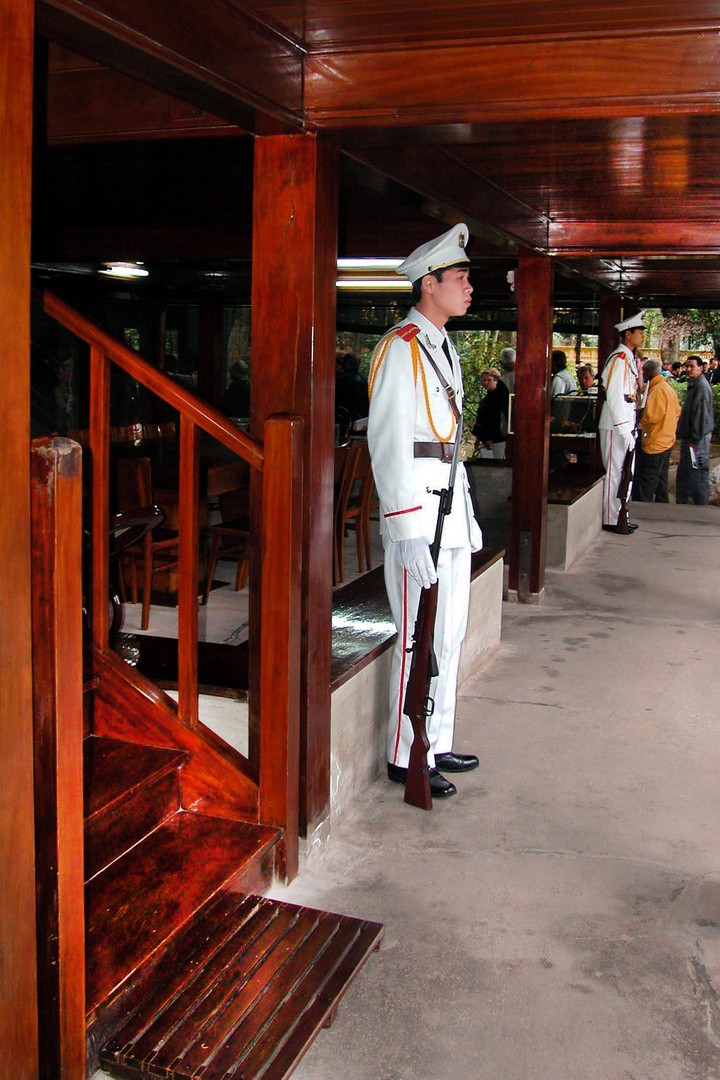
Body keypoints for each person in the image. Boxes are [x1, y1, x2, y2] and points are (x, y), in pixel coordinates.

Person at [367, 223, 483, 800]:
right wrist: (406, 529)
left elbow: (447, 445)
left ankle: (434, 741)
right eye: (459, 278)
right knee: (419, 638)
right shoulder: (401, 347)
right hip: (420, 521)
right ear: (429, 283)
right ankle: (402, 753)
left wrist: (464, 518)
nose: (468, 288)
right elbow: (389, 446)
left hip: (449, 515)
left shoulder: (442, 347)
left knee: (451, 634)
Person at [598, 312, 644, 533]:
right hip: (615, 425)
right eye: (639, 331)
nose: (642, 335)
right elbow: (615, 397)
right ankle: (610, 518)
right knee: (615, 472)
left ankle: (620, 514)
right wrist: (624, 429)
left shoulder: (629, 359)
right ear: (628, 334)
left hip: (625, 425)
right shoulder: (619, 359)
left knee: (625, 472)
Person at [633, 358, 680, 503]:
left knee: (648, 480)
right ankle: (662, 505)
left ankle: (644, 510)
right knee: (661, 479)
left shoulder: (658, 390)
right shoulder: (666, 388)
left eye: (643, 372)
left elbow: (651, 417)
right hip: (666, 439)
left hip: (655, 442)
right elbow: (677, 412)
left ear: (648, 372)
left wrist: (640, 414)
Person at [676, 354, 714, 505]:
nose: (689, 369)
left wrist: (695, 439)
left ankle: (700, 507)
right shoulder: (694, 385)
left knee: (697, 476)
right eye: (687, 366)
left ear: (700, 368)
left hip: (697, 439)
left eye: (692, 366)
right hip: (691, 437)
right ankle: (684, 504)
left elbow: (701, 416)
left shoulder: (702, 387)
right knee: (686, 475)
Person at [472, 367, 508, 458]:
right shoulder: (486, 399)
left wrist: (491, 439)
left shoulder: (500, 398)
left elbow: (498, 420)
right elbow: (481, 420)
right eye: (484, 380)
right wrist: (478, 439)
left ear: (495, 380)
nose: (486, 383)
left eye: (489, 380)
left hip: (497, 440)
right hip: (485, 439)